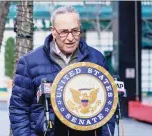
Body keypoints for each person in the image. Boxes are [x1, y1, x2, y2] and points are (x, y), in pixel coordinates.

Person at [9, 5, 116, 136]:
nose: (70, 38)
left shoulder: (97, 59)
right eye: (64, 32)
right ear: (53, 32)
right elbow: (18, 109)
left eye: (75, 31)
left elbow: (108, 105)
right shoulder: (29, 62)